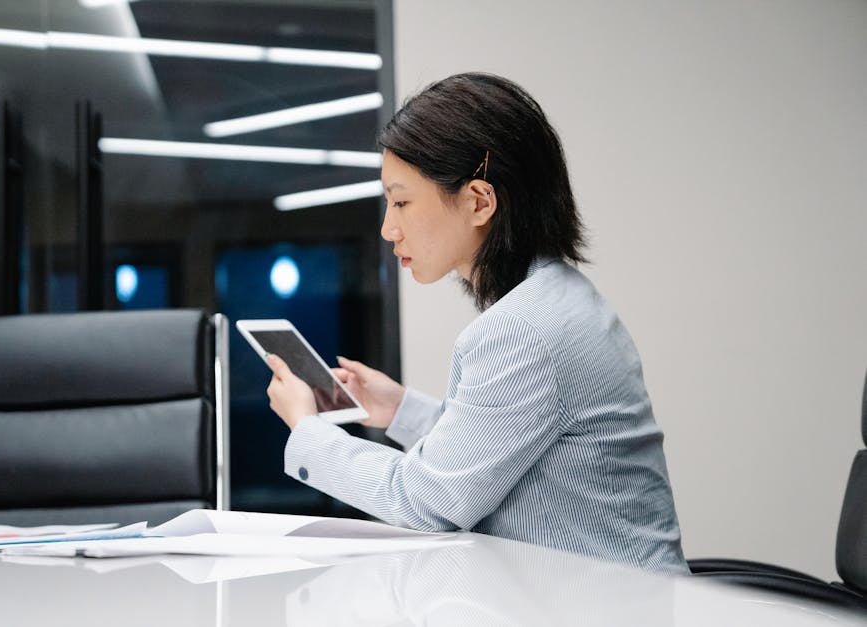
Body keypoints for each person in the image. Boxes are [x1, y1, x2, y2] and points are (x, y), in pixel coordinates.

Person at [264, 72, 688, 575]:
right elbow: (505, 449)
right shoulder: (557, 299)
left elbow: (428, 504)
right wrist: (400, 409)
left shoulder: (524, 330)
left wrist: (307, 428)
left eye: (400, 201)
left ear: (479, 201)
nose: (387, 227)